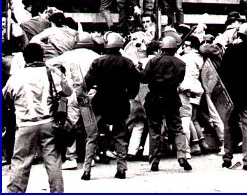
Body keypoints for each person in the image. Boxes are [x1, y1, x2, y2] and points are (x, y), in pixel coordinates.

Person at [3, 43, 72, 192]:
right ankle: (57, 191)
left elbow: (6, 97)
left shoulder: (17, 76)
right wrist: (59, 73)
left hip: (25, 125)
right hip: (50, 123)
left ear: (25, 58)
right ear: (42, 56)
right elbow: (68, 92)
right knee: (53, 161)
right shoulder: (51, 73)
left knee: (21, 162)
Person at [82, 32, 140, 180]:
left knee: (92, 136)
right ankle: (121, 168)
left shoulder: (98, 62)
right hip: (120, 103)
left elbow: (86, 82)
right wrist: (129, 96)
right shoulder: (128, 63)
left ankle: (87, 169)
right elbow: (134, 85)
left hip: (100, 102)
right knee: (120, 136)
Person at [141, 36, 192, 172]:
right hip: (172, 98)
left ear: (161, 48)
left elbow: (144, 79)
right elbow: (180, 80)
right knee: (177, 128)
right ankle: (182, 156)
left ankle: (154, 160)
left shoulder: (153, 61)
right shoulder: (180, 63)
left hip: (154, 98)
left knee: (155, 130)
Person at [221, 23, 247, 170]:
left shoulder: (231, 50)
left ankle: (227, 158)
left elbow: (223, 72)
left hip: (232, 94)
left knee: (228, 126)